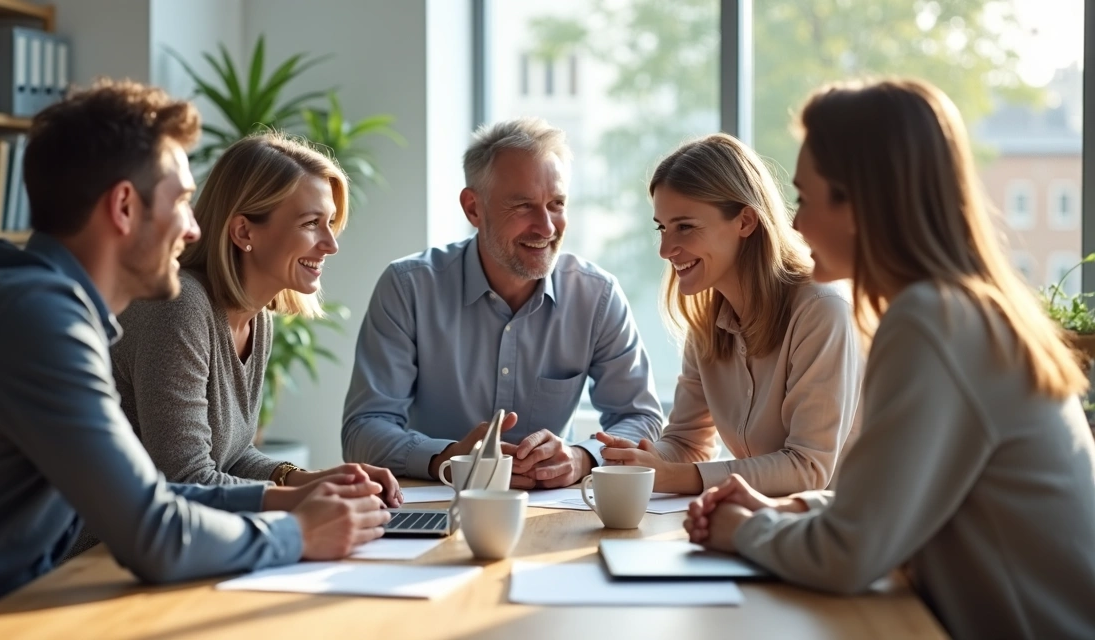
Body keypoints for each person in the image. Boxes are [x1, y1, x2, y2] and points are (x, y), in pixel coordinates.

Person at [0, 80, 389, 639]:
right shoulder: (36, 320)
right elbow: (153, 534)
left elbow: (150, 495)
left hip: (9, 606)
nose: (194, 228)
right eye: (180, 201)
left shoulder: (42, 304)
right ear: (124, 207)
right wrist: (300, 532)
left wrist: (290, 496)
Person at [684, 78, 1095, 639]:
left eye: (805, 197)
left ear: (858, 202)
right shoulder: (960, 309)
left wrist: (741, 530)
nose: (796, 224)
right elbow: (893, 501)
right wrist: (790, 509)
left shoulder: (933, 322)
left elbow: (848, 555)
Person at [342, 117, 663, 489]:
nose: (546, 227)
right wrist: (450, 458)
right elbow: (363, 430)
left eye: (556, 204)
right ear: (473, 208)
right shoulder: (408, 288)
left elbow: (641, 419)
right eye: (524, 206)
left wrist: (581, 456)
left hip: (553, 510)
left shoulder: (597, 295)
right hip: (437, 503)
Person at [110, 132, 401, 503]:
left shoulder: (255, 316)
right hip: (101, 550)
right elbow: (187, 479)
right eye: (312, 223)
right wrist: (307, 499)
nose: (331, 244)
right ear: (244, 230)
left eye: (329, 223)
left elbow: (232, 457)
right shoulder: (179, 307)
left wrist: (314, 479)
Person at [595, 134, 862, 497]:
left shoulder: (822, 309)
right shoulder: (708, 321)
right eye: (662, 227)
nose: (665, 249)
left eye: (685, 226)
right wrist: (638, 461)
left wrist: (669, 476)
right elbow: (688, 442)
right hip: (765, 528)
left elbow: (808, 468)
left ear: (745, 222)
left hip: (843, 536)